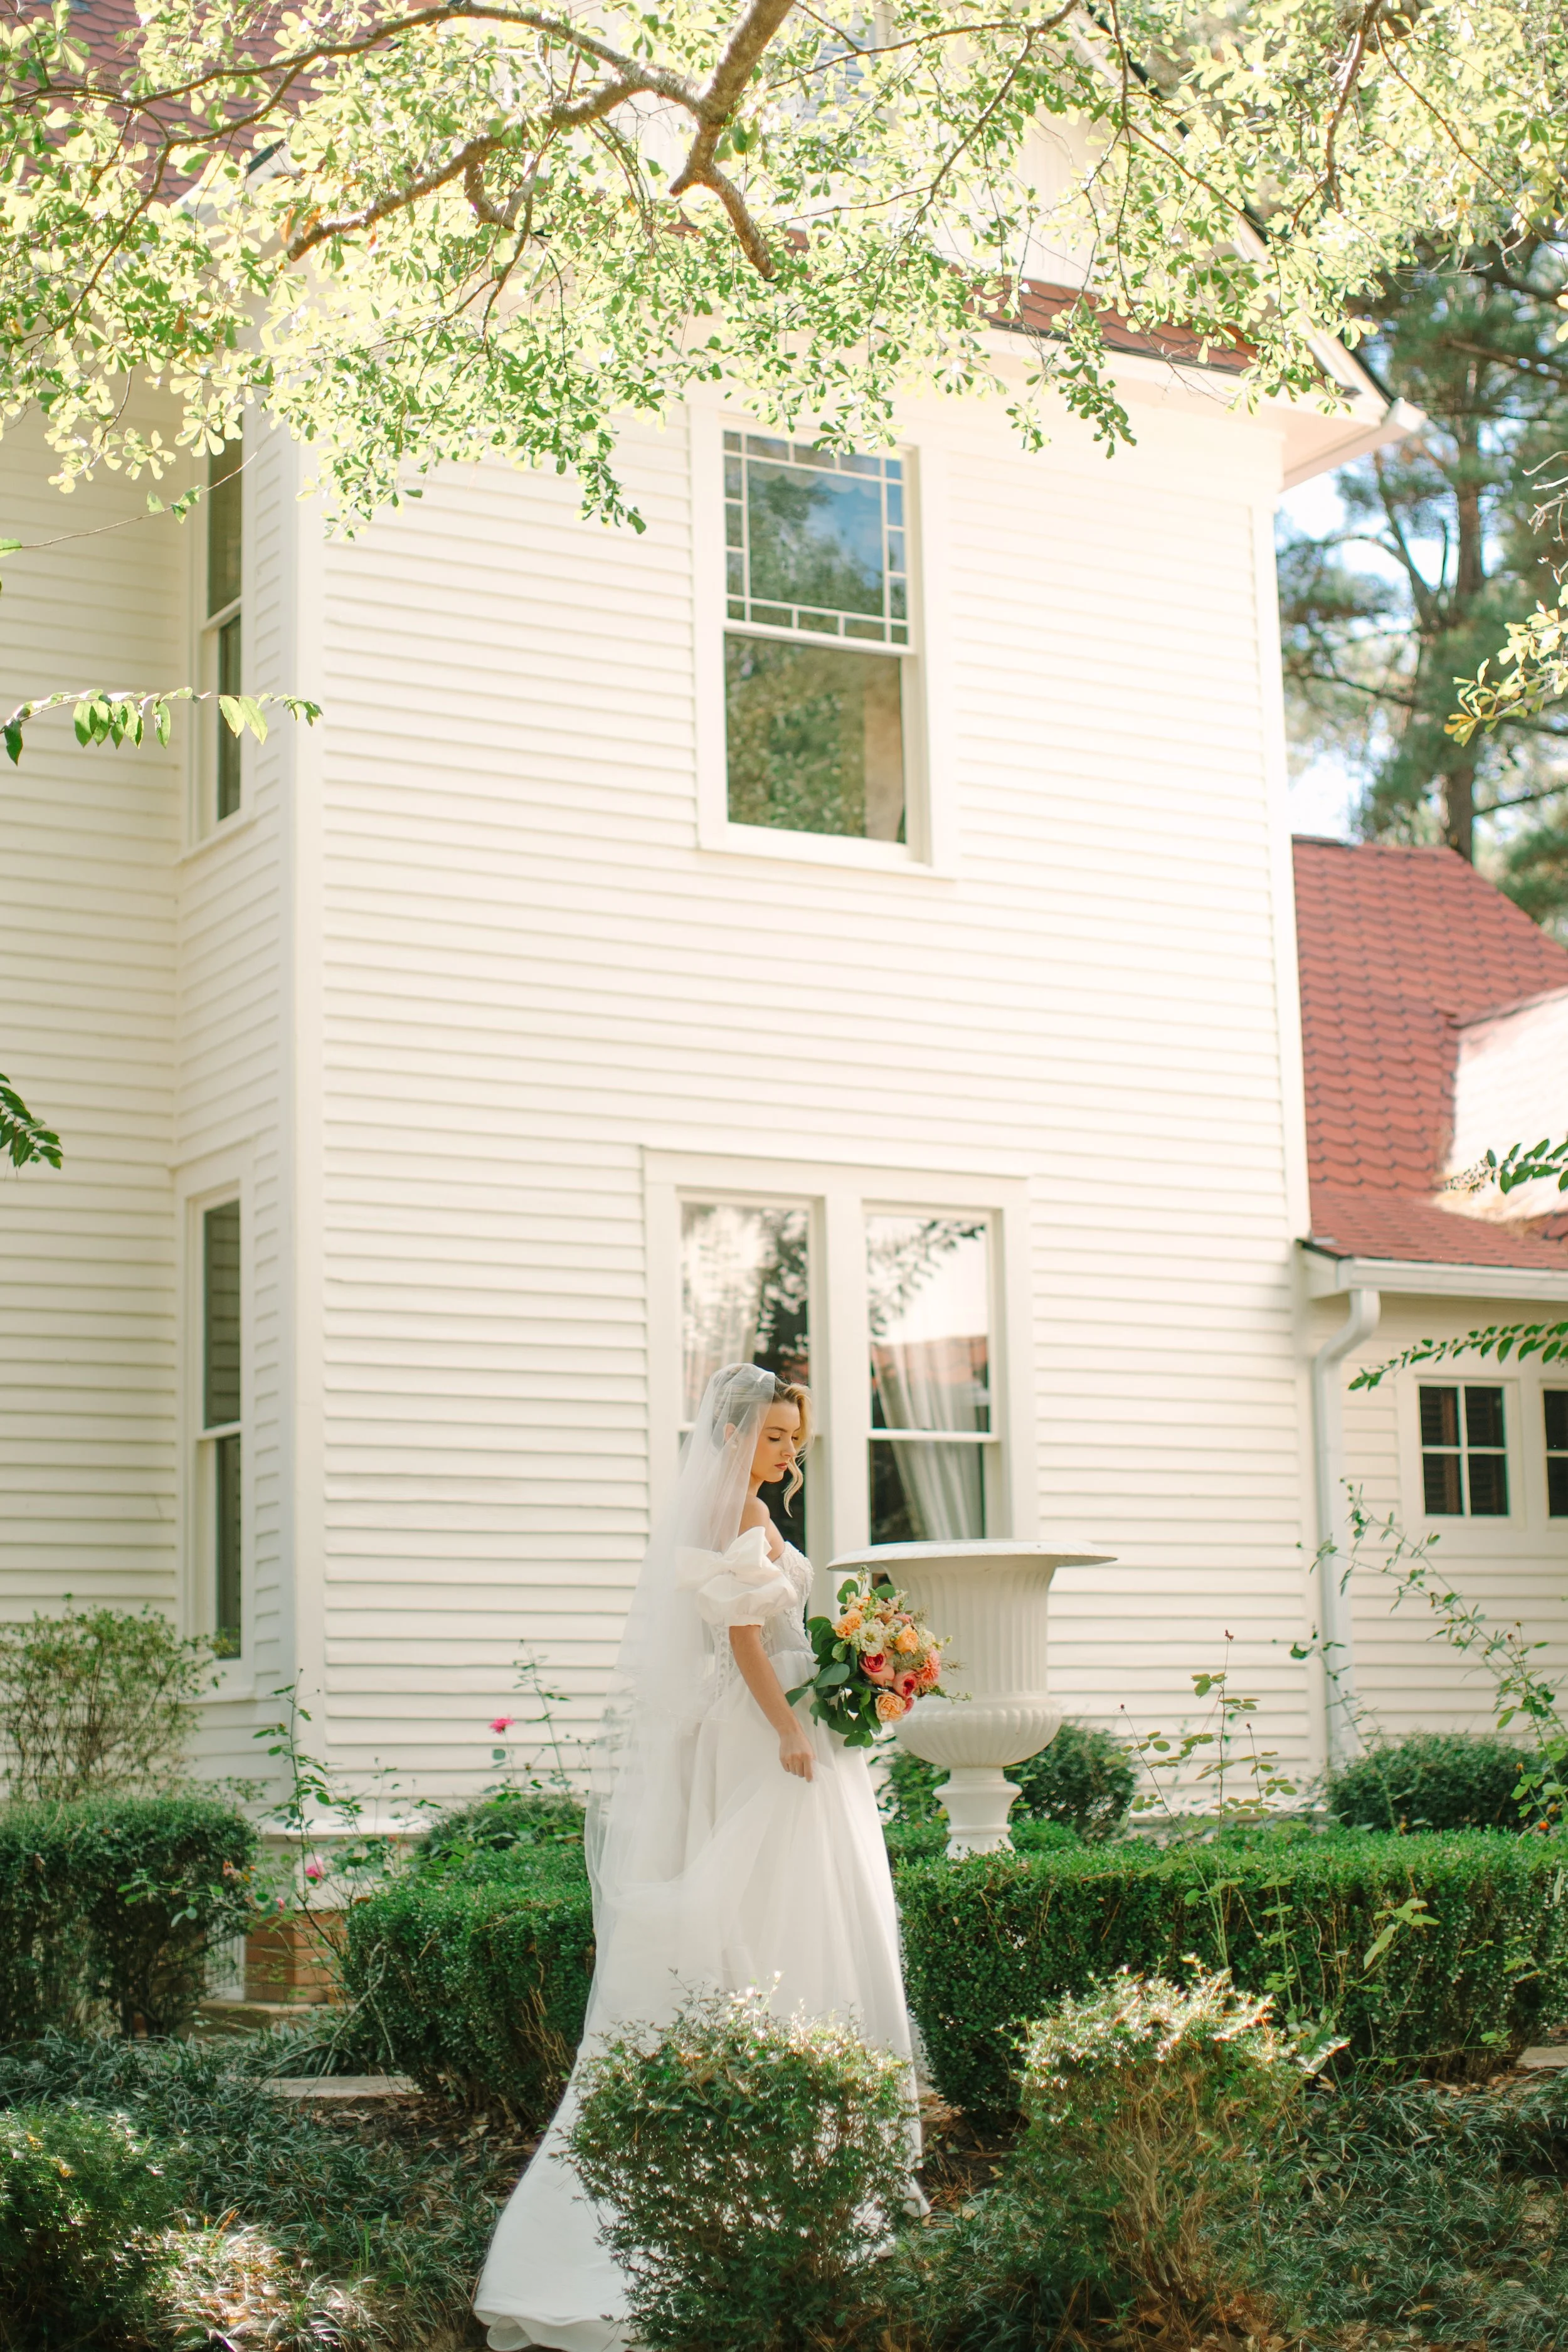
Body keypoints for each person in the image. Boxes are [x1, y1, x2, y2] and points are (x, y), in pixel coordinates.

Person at [474, 1362, 919, 2351]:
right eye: (772, 1439)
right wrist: (793, 1731)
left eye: (795, 1443)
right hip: (765, 1734)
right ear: (731, 1435)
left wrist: (856, 1670)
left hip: (770, 1725)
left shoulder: (744, 1513)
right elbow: (749, 1641)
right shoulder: (735, 1521)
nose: (785, 1455)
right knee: (776, 1917)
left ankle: (800, 2140)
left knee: (789, 1916)